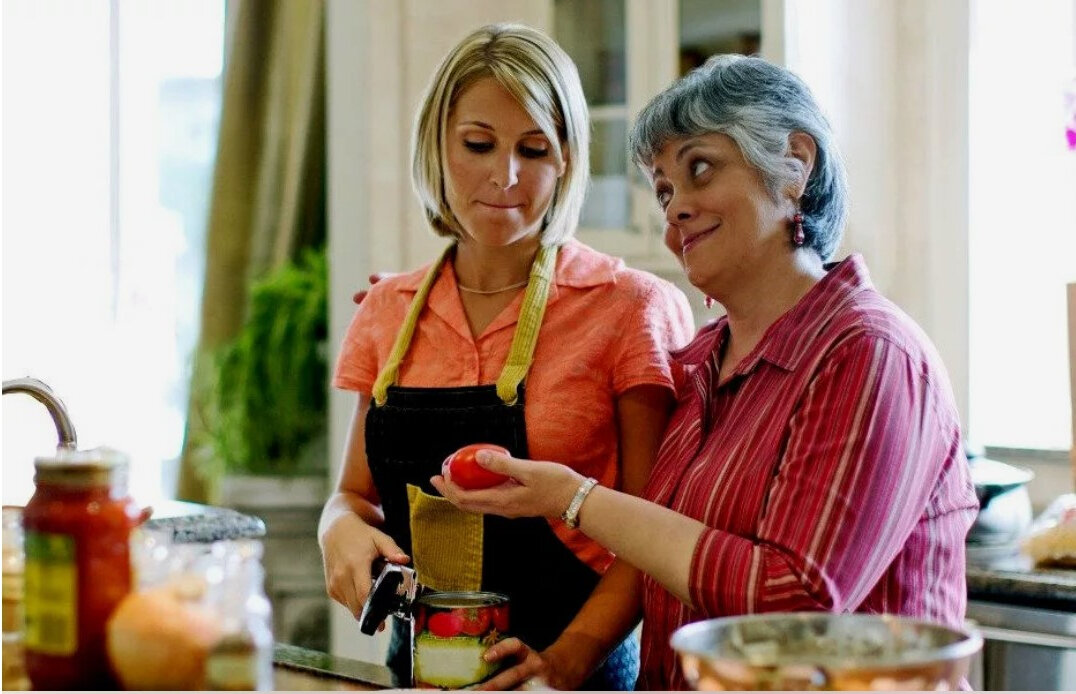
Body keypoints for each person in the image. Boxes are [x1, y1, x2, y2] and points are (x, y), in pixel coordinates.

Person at [433, 54, 979, 690]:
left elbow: (793, 604)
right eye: (664, 190)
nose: (676, 210)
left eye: (700, 169)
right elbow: (655, 560)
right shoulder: (697, 367)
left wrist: (572, 497)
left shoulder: (870, 354)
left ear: (796, 164)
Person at [318, 23, 693, 689]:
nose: (506, 175)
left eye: (534, 149)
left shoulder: (629, 308)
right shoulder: (387, 312)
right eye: (478, 145)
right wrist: (336, 530)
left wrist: (567, 660)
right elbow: (353, 496)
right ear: (437, 145)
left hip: (576, 674)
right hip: (423, 668)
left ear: (569, 160)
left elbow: (653, 535)